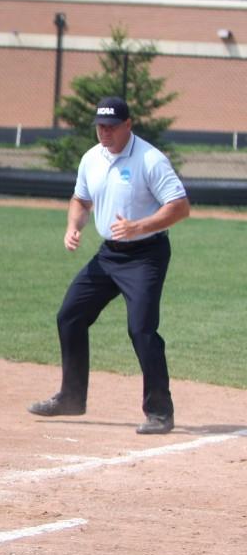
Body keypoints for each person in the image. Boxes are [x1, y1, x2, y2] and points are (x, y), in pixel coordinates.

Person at [28, 96, 190, 435]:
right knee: (70, 315)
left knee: (141, 329)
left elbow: (179, 206)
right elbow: (81, 199)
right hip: (109, 255)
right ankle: (71, 398)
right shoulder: (92, 158)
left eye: (111, 127)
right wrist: (73, 226)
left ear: (128, 125)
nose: (105, 133)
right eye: (100, 126)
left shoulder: (150, 159)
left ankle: (160, 412)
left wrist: (139, 226)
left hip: (146, 255)